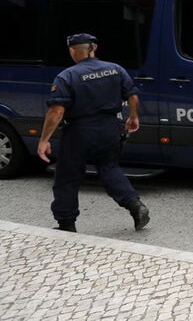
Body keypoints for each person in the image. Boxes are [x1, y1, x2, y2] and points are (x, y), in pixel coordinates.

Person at [37, 33, 150, 232]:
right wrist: (133, 117)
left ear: (72, 51)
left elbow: (57, 111)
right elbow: (132, 96)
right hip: (110, 128)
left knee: (67, 177)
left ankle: (66, 224)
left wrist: (44, 139)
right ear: (94, 48)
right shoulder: (115, 69)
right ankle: (136, 206)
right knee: (109, 168)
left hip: (80, 131)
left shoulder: (67, 76)